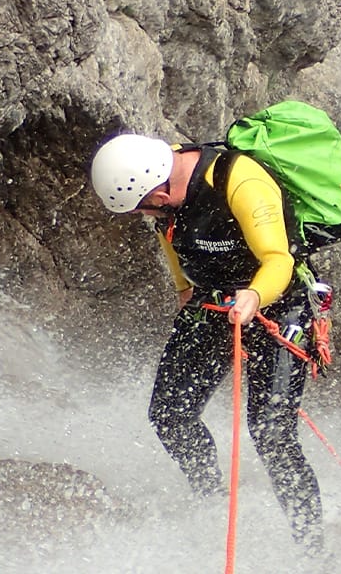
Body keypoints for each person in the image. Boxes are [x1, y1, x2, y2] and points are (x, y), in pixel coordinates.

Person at [89, 133, 324, 548]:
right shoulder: (166, 192)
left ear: (159, 192)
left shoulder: (238, 180)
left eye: (144, 208)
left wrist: (254, 296)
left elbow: (278, 259)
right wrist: (184, 289)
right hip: (213, 303)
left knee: (272, 433)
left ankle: (312, 547)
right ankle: (211, 499)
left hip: (278, 303)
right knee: (170, 415)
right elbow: (170, 234)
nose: (145, 216)